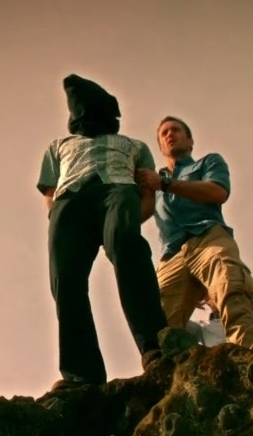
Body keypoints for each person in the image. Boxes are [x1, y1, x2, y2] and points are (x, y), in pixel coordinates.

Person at [36, 74, 168, 390]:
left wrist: (128, 222)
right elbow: (50, 192)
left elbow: (147, 195)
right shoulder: (58, 146)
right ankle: (82, 375)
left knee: (127, 247)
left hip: (118, 191)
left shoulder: (134, 146)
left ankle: (155, 347)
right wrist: (58, 217)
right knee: (65, 279)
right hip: (70, 201)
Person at [137, 115, 253, 353]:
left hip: (209, 237)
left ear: (190, 141)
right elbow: (142, 212)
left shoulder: (208, 162)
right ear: (161, 147)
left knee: (230, 290)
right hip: (171, 255)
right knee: (159, 322)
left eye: (175, 130)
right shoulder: (153, 182)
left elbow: (217, 192)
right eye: (164, 133)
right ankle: (170, 373)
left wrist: (164, 184)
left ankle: (249, 360)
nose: (169, 134)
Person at [185, 298, 253, 358]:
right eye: (210, 295)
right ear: (206, 300)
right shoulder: (202, 329)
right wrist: (189, 300)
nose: (216, 297)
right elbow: (178, 322)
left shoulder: (250, 315)